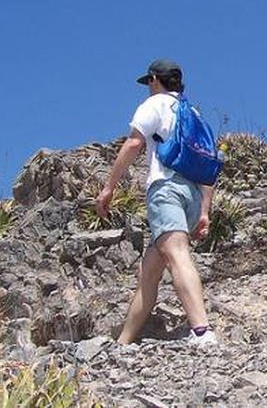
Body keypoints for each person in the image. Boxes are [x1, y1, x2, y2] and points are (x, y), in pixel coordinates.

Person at [97, 59, 216, 346]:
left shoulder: (155, 104)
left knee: (176, 253)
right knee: (149, 271)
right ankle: (123, 343)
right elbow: (209, 164)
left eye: (148, 83)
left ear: (154, 79)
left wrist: (109, 187)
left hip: (166, 190)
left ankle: (202, 331)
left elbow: (135, 143)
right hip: (191, 196)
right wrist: (203, 212)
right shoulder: (193, 113)